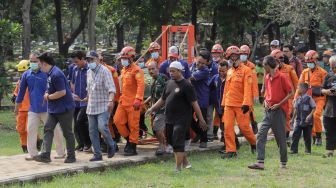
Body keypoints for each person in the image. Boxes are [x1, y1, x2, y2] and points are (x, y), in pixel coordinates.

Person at [145, 61, 207, 173]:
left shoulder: (187, 85)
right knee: (172, 141)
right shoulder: (169, 83)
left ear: (180, 71)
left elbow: (194, 103)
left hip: (182, 119)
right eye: (170, 71)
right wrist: (152, 109)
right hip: (169, 118)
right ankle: (185, 162)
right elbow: (162, 99)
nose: (171, 73)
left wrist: (201, 119)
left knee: (178, 141)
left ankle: (178, 168)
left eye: (173, 71)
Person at [16, 53, 65, 160]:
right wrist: (17, 103)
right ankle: (33, 153)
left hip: (48, 108)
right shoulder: (26, 74)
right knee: (31, 130)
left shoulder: (47, 73)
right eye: (31, 61)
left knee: (55, 129)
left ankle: (61, 152)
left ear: (41, 62)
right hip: (33, 109)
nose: (33, 63)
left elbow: (56, 88)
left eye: (35, 61)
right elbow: (21, 90)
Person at [248, 55, 294, 170]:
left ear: (268, 65)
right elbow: (267, 93)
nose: (263, 67)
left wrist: (279, 104)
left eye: (264, 65)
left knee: (280, 138)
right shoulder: (267, 77)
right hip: (268, 111)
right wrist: (265, 102)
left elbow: (291, 93)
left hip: (279, 111)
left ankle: (283, 162)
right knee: (260, 134)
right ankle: (260, 162)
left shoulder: (282, 77)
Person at [33, 52, 76, 163]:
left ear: (44, 64)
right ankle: (45, 155)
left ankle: (71, 156)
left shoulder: (56, 74)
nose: (38, 66)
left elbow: (62, 92)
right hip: (53, 109)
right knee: (48, 129)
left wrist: (49, 96)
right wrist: (47, 93)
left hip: (64, 108)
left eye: (39, 63)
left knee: (67, 132)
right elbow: (50, 87)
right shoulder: (49, 73)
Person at [221, 46, 256, 158]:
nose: (233, 58)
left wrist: (246, 103)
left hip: (241, 105)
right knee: (227, 128)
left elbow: (247, 88)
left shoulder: (247, 70)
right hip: (228, 104)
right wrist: (223, 104)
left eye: (235, 56)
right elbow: (226, 89)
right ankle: (231, 151)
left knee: (244, 127)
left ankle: (254, 143)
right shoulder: (230, 71)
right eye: (231, 56)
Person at [84, 51, 116, 161]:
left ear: (97, 59)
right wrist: (86, 98)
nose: (89, 62)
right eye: (88, 60)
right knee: (92, 131)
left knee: (102, 127)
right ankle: (97, 154)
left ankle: (111, 144)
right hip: (91, 106)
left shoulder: (105, 71)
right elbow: (89, 88)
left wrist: (111, 101)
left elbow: (111, 89)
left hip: (103, 105)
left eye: (91, 60)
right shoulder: (88, 72)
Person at [114, 46, 145, 156]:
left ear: (131, 58)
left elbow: (141, 85)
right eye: (122, 58)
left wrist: (138, 99)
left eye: (125, 58)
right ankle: (129, 140)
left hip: (133, 103)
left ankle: (133, 146)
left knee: (133, 125)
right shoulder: (123, 70)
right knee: (117, 121)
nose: (123, 60)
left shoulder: (137, 70)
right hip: (123, 101)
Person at [296, 50, 327, 146]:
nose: (309, 64)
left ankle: (318, 137)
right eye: (308, 63)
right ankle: (313, 137)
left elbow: (325, 87)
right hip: (308, 99)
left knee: (316, 115)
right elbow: (299, 87)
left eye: (311, 62)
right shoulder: (304, 72)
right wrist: (295, 98)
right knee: (308, 118)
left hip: (320, 98)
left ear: (316, 61)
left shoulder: (323, 72)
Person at [270, 49, 298, 146]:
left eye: (280, 60)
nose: (279, 62)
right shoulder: (271, 71)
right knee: (275, 119)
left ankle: (285, 138)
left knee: (286, 117)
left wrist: (296, 97)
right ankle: (280, 138)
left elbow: (296, 84)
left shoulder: (290, 69)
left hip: (288, 98)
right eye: (277, 60)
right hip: (275, 98)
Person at [144, 61, 168, 155]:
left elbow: (165, 96)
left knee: (157, 127)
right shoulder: (153, 79)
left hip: (163, 108)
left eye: (153, 69)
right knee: (155, 129)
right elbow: (153, 95)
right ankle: (162, 144)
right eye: (149, 69)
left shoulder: (162, 79)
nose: (151, 71)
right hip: (155, 109)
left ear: (157, 68)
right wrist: (144, 102)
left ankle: (163, 146)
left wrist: (152, 108)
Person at [70, 51, 91, 152]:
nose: (75, 64)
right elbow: (72, 82)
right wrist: (73, 93)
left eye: (77, 61)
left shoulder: (90, 69)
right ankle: (80, 144)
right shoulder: (74, 69)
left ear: (83, 59)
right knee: (76, 124)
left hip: (86, 100)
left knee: (80, 120)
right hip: (76, 101)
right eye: (74, 62)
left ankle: (88, 143)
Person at [189, 49, 210, 148]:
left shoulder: (205, 70)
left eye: (202, 63)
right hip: (192, 98)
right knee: (188, 117)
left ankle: (204, 140)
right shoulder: (193, 65)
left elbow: (190, 77)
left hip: (202, 98)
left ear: (206, 62)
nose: (200, 64)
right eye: (199, 62)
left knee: (202, 119)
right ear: (196, 58)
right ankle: (199, 133)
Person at [290, 83, 316, 154]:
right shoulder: (298, 99)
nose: (297, 89)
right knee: (295, 135)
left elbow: (314, 107)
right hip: (299, 120)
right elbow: (295, 109)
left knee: (307, 137)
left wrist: (310, 115)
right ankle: (293, 150)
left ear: (304, 89)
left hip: (307, 121)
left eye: (299, 88)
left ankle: (308, 151)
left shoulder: (309, 98)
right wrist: (292, 119)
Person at [240, 45, 259, 134]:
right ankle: (242, 129)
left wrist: (255, 94)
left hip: (249, 92)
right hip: (239, 91)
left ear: (248, 55)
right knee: (240, 111)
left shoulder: (251, 66)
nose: (243, 55)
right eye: (241, 54)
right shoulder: (237, 65)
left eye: (245, 54)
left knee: (249, 110)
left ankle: (254, 126)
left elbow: (254, 81)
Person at [13, 60, 30, 153]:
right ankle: (24, 146)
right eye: (20, 72)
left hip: (31, 108)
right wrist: (14, 97)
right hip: (21, 109)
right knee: (20, 129)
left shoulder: (32, 80)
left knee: (29, 128)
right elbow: (16, 93)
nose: (22, 73)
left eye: (23, 71)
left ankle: (37, 142)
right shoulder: (19, 82)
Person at [320, 55, 336, 158]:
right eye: (331, 67)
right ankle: (329, 150)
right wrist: (326, 91)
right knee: (329, 129)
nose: (333, 69)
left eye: (335, 67)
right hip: (330, 107)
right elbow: (321, 89)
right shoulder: (328, 75)